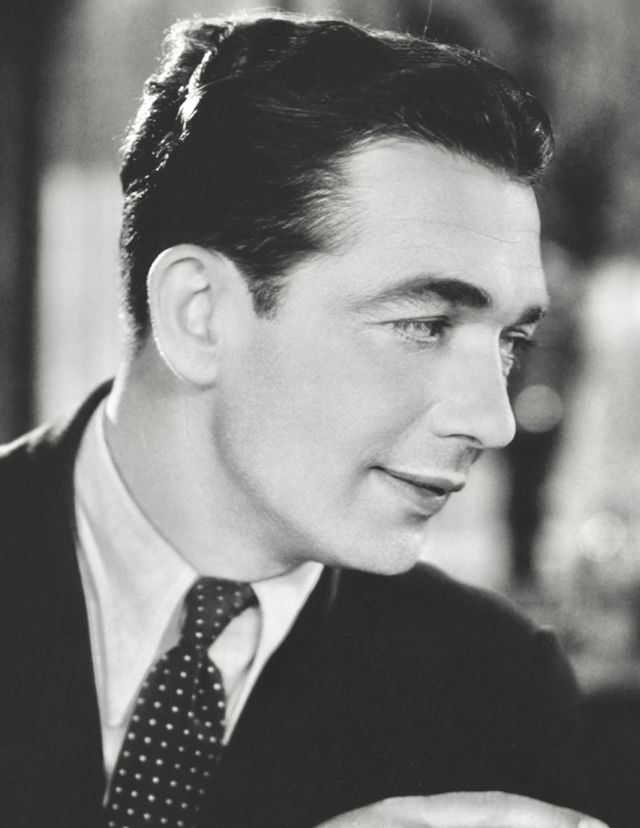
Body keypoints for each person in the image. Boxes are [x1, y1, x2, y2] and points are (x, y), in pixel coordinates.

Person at [0, 12, 608, 828]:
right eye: (424, 324)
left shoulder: (496, 692)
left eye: (510, 342)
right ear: (199, 313)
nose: (495, 421)